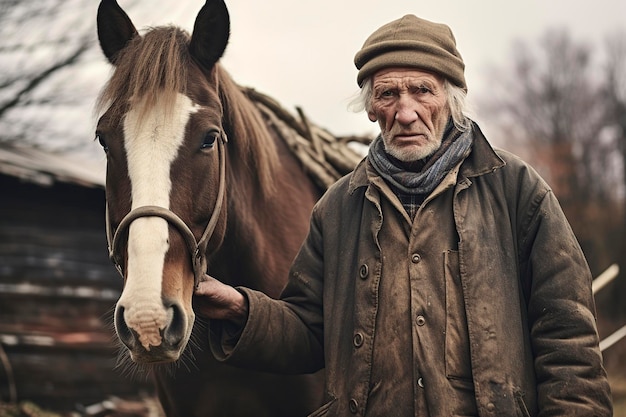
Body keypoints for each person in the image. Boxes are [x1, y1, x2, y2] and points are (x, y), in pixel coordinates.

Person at [194, 14, 613, 416]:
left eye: (422, 91)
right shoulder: (338, 209)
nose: (406, 112)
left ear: (452, 100)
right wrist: (242, 309)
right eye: (388, 94)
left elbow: (569, 340)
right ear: (371, 108)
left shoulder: (518, 191)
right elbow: (310, 332)